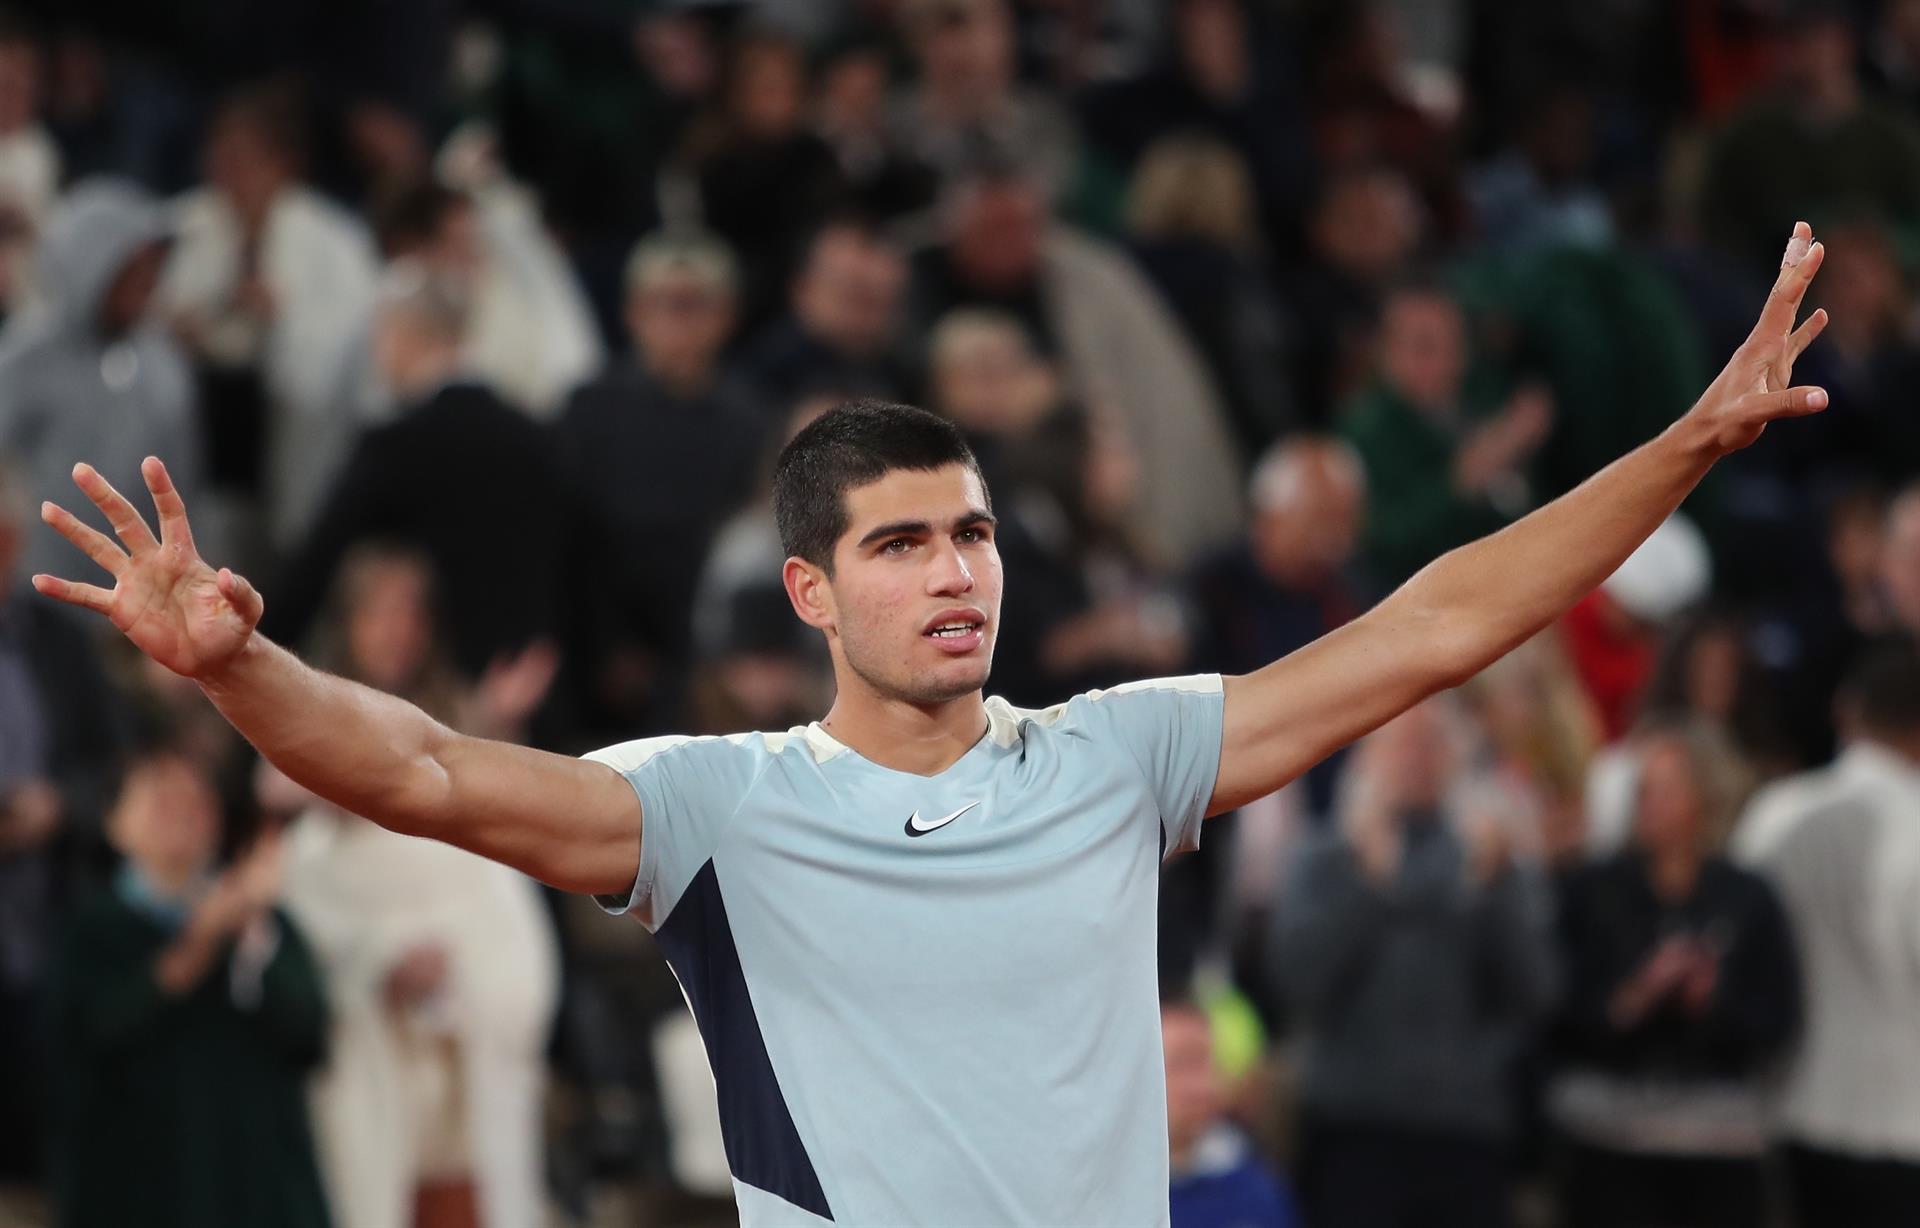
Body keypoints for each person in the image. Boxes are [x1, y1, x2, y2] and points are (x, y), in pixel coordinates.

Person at [31, 224, 1832, 1226]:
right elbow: (420, 769)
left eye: (971, 529)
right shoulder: (716, 806)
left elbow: (1435, 623)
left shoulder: (1120, 753)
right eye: (902, 543)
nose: (956, 569)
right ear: (810, 589)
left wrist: (1682, 445)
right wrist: (233, 668)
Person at [271, 545, 559, 1228]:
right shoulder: (300, 710)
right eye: (380, 614)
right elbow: (296, 846)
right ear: (350, 621)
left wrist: (491, 726)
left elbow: (482, 840)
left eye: (411, 614)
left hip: (462, 1001)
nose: (398, 631)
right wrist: (381, 959)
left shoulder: (452, 717)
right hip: (366, 1018)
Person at [1272, 699, 1559, 1228]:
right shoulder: (1326, 854)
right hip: (1351, 1126)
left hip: (1466, 1131)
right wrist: (1368, 885)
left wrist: (1494, 888)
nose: (1414, 758)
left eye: (1430, 743)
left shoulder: (1490, 857)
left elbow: (1535, 993)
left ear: (1457, 759)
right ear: (1365, 755)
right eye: (1398, 742)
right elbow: (1297, 983)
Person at [46, 749, 330, 1228]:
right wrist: (196, 947)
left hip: (253, 1186)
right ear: (115, 824)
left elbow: (311, 1035)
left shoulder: (263, 922)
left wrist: (247, 935)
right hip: (136, 1185)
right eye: (161, 799)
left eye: (197, 802)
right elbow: (83, 1043)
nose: (182, 815)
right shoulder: (90, 931)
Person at [261, 262, 566, 682]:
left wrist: (255, 648)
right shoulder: (537, 439)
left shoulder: (395, 445)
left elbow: (317, 562)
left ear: (400, 334)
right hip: (530, 685)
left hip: (430, 698)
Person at [1549, 720, 1799, 1228]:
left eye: (1666, 789)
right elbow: (1552, 1005)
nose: (1649, 804)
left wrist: (1711, 1001)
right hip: (1608, 1139)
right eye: (1643, 789)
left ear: (1705, 796)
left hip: (1717, 1145)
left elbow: (1779, 1018)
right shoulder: (1594, 889)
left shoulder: (1748, 896)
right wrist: (1634, 996)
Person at [1733, 642, 1920, 1227]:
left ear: (1846, 710)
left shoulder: (1775, 809)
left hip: (1789, 1106)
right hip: (1901, 1122)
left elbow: (1737, 948)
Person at [159, 82, 382, 548]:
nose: (229, 174)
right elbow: (148, 315)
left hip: (291, 430)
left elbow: (357, 346)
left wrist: (283, 316)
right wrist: (180, 327)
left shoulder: (336, 244)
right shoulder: (180, 225)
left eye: (244, 160)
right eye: (221, 157)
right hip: (206, 416)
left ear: (283, 165)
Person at [0, 179, 203, 585]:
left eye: (153, 266)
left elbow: (185, 498)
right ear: (90, 263)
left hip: (134, 597)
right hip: (29, 590)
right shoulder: (27, 357)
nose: (147, 280)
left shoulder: (166, 370)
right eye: (132, 265)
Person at [1162, 998, 1302, 1228]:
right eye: (1181, 1065)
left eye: (1207, 1062)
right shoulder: (1110, 1185)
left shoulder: (1251, 1183)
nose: (1201, 1086)